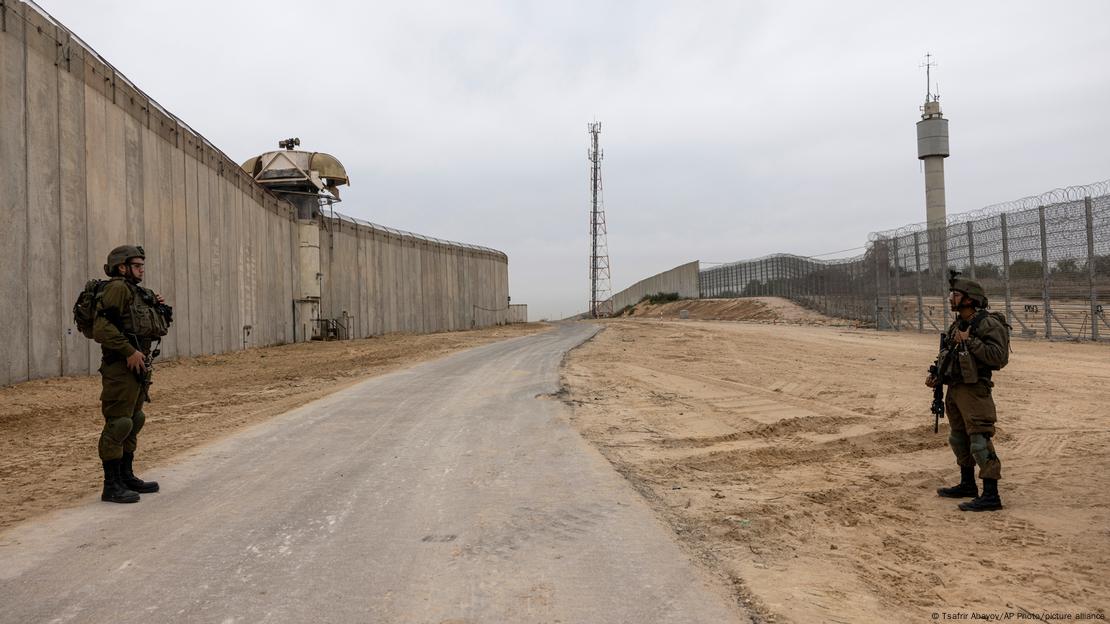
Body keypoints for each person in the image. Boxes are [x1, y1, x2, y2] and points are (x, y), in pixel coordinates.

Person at [926, 272, 1009, 512]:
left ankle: (991, 496)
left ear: (970, 299)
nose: (951, 298)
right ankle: (967, 484)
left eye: (956, 294)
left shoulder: (987, 323)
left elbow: (998, 358)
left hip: (975, 391)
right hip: (956, 388)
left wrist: (970, 341)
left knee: (979, 442)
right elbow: (951, 354)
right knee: (958, 439)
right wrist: (937, 375)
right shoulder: (959, 324)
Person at [93, 245, 170, 503]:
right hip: (121, 366)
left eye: (141, 265)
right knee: (119, 423)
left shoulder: (136, 291)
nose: (141, 270)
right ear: (121, 267)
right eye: (136, 265)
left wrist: (156, 306)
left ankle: (126, 476)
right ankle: (111, 485)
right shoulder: (117, 288)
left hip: (138, 365)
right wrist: (128, 351)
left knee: (134, 420)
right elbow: (102, 328)